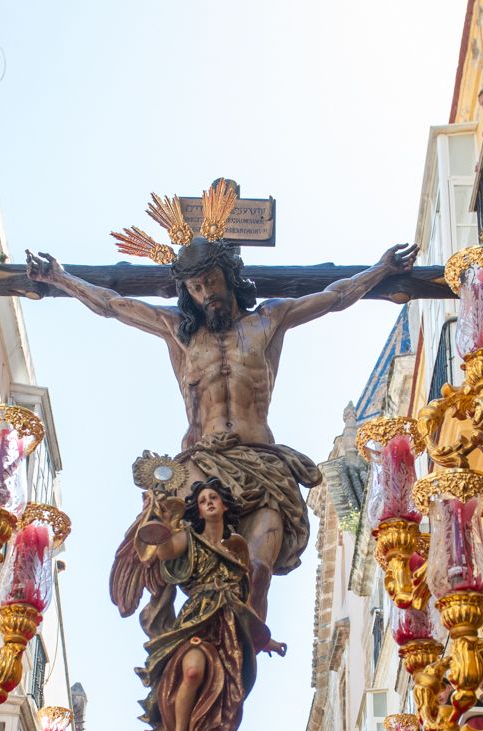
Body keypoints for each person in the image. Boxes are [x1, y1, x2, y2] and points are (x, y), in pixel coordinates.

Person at [28, 218, 416, 623]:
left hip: (261, 461)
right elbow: (112, 305)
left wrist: (382, 270)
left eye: (211, 280)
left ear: (228, 276)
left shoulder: (268, 320)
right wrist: (60, 277)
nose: (205, 292)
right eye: (195, 287)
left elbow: (335, 296)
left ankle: (248, 641)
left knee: (259, 573)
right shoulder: (177, 330)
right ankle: (177, 629)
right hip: (202, 457)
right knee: (179, 552)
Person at [128, 478, 279, 731]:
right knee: (193, 670)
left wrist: (263, 640)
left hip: (229, 630)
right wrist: (158, 516)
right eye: (202, 501)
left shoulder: (237, 552)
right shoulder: (189, 538)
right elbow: (165, 551)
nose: (208, 502)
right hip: (197, 619)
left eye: (213, 498)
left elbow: (243, 603)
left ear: (223, 505)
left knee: (226, 692)